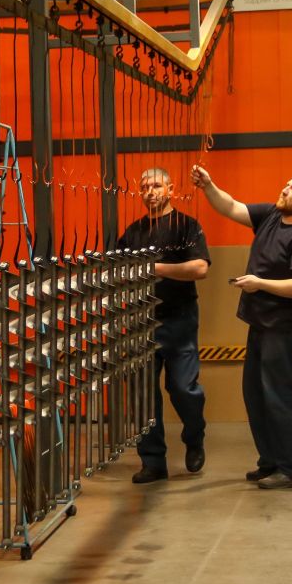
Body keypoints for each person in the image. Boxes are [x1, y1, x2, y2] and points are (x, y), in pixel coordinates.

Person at [189, 165, 292, 489]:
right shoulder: (270, 216)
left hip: (284, 328)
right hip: (261, 324)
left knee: (280, 396)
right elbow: (231, 206)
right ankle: (270, 462)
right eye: (287, 184)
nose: (285, 189)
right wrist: (209, 185)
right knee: (256, 396)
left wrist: (260, 283)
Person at [117, 167, 211, 484]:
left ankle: (195, 437)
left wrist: (152, 268)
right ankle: (153, 461)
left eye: (156, 185)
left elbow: (199, 268)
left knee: (183, 388)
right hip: (141, 322)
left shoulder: (187, 226)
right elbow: (119, 273)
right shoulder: (132, 233)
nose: (150, 192)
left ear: (170, 189)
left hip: (179, 318)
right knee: (143, 394)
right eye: (144, 187)